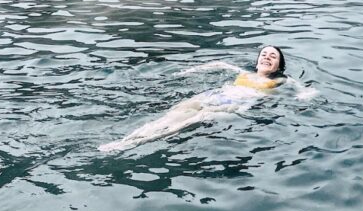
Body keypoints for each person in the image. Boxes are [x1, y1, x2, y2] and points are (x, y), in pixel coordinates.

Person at [98, 46, 313, 153]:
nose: (267, 57)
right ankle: (127, 139)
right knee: (171, 115)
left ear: (278, 66)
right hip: (213, 94)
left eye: (273, 56)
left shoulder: (283, 80)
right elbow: (219, 64)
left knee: (191, 120)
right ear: (257, 62)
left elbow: (302, 90)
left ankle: (135, 144)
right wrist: (189, 71)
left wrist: (306, 96)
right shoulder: (244, 73)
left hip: (233, 104)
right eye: (264, 54)